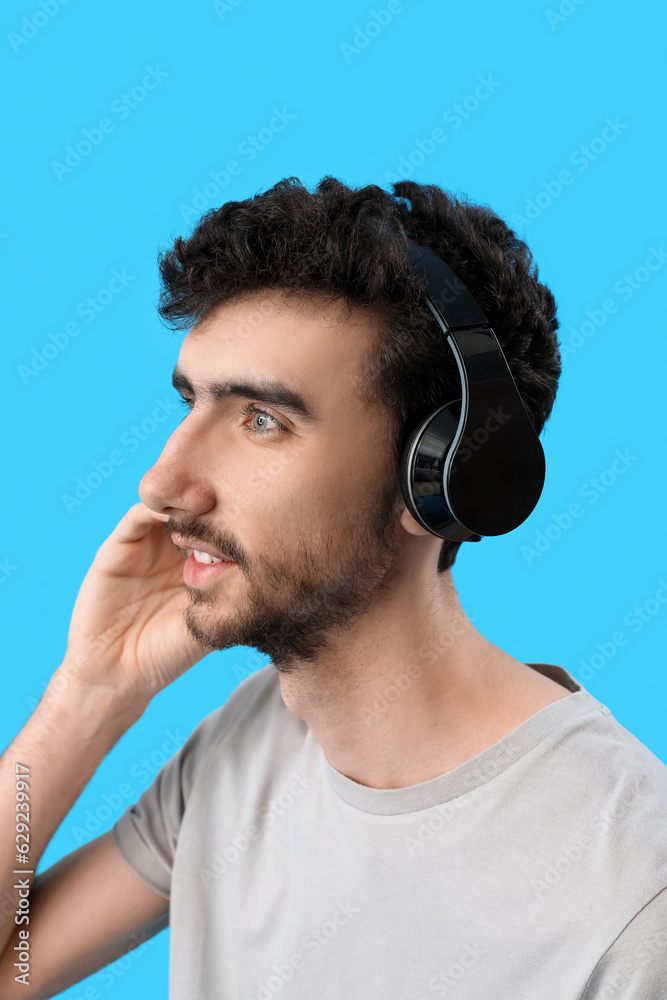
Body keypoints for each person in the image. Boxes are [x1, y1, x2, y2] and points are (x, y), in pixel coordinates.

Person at [1, 176, 666, 999]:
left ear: (443, 477)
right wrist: (90, 692)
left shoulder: (633, 893)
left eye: (261, 420)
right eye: (192, 402)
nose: (163, 481)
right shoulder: (244, 745)